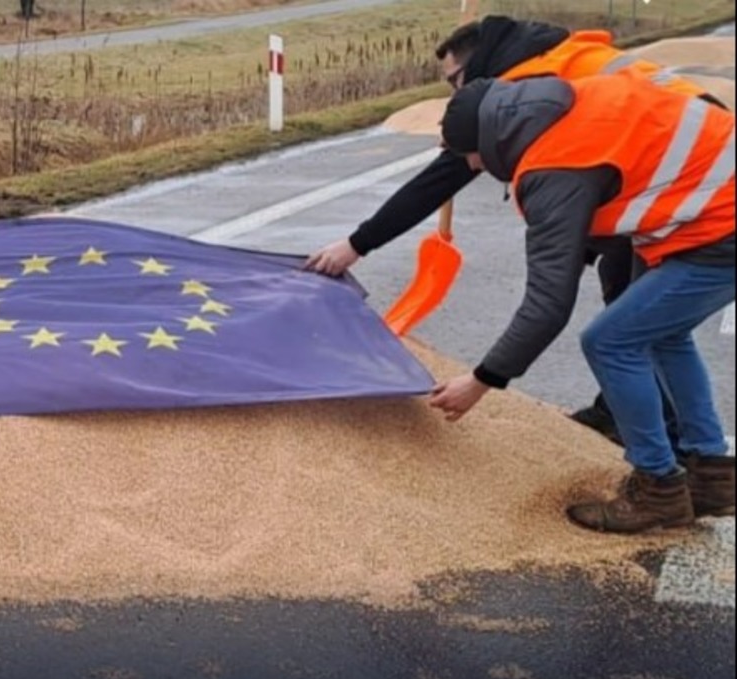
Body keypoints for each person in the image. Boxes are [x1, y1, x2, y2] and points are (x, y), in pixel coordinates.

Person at [305, 15, 725, 443]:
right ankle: (655, 425)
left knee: (625, 327)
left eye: (455, 80)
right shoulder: (546, 65)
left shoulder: (519, 94)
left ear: (480, 64)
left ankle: (662, 446)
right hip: (680, 152)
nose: (454, 92)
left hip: (687, 173)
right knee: (638, 319)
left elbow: (446, 176)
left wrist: (357, 244)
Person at [429, 74, 735, 534]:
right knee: (662, 333)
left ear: (486, 142)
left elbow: (549, 303)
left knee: (609, 340)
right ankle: (713, 474)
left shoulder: (551, 166)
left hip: (721, 225)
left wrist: (481, 380)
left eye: (468, 157)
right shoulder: (563, 105)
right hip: (714, 208)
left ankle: (659, 489)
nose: (472, 167)